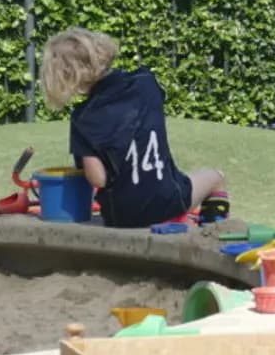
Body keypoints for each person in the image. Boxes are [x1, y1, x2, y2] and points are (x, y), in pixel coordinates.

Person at [40, 27, 227, 228]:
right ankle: (211, 232)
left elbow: (98, 179)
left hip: (120, 215)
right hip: (168, 200)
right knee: (215, 177)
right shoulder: (146, 83)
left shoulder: (82, 117)